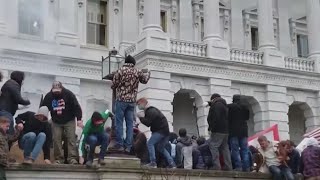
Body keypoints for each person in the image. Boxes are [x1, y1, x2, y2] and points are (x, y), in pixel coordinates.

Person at [111, 55, 150, 152]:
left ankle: (119, 144)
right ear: (133, 63)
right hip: (132, 102)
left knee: (119, 122)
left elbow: (113, 85)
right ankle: (128, 146)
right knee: (129, 124)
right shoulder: (137, 71)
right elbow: (144, 80)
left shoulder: (120, 71)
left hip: (121, 100)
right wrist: (148, 73)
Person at [42, 81, 83, 164]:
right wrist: (43, 117)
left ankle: (72, 158)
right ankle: (58, 159)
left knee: (71, 138)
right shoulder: (49, 96)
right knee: (56, 139)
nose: (56, 93)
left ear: (61, 89)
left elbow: (76, 106)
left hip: (69, 120)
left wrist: (79, 119)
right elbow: (44, 107)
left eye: (58, 91)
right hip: (56, 121)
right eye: (55, 92)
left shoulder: (68, 94)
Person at [136, 97, 176, 168]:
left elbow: (148, 123)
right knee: (160, 148)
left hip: (159, 131)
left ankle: (153, 162)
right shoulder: (153, 110)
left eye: (138, 104)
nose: (138, 106)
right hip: (165, 132)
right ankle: (172, 163)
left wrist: (140, 117)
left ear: (143, 103)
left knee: (150, 143)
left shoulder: (150, 111)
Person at [207, 93, 232, 171]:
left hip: (217, 130)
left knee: (213, 146)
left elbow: (216, 117)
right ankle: (228, 166)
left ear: (213, 99)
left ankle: (216, 166)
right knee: (225, 148)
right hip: (226, 130)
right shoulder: (224, 105)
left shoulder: (217, 105)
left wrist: (212, 128)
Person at [0, 71, 30, 135]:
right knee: (9, 132)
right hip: (6, 112)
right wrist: (28, 102)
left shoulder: (10, 83)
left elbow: (11, 100)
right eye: (22, 78)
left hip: (5, 111)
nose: (23, 81)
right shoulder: (13, 85)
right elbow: (19, 99)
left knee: (5, 131)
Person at [228, 94, 250, 172]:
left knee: (235, 150)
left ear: (233, 99)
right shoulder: (245, 107)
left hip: (233, 131)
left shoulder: (230, 107)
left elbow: (228, 118)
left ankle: (238, 167)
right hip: (244, 131)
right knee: (245, 149)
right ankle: (247, 167)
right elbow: (247, 118)